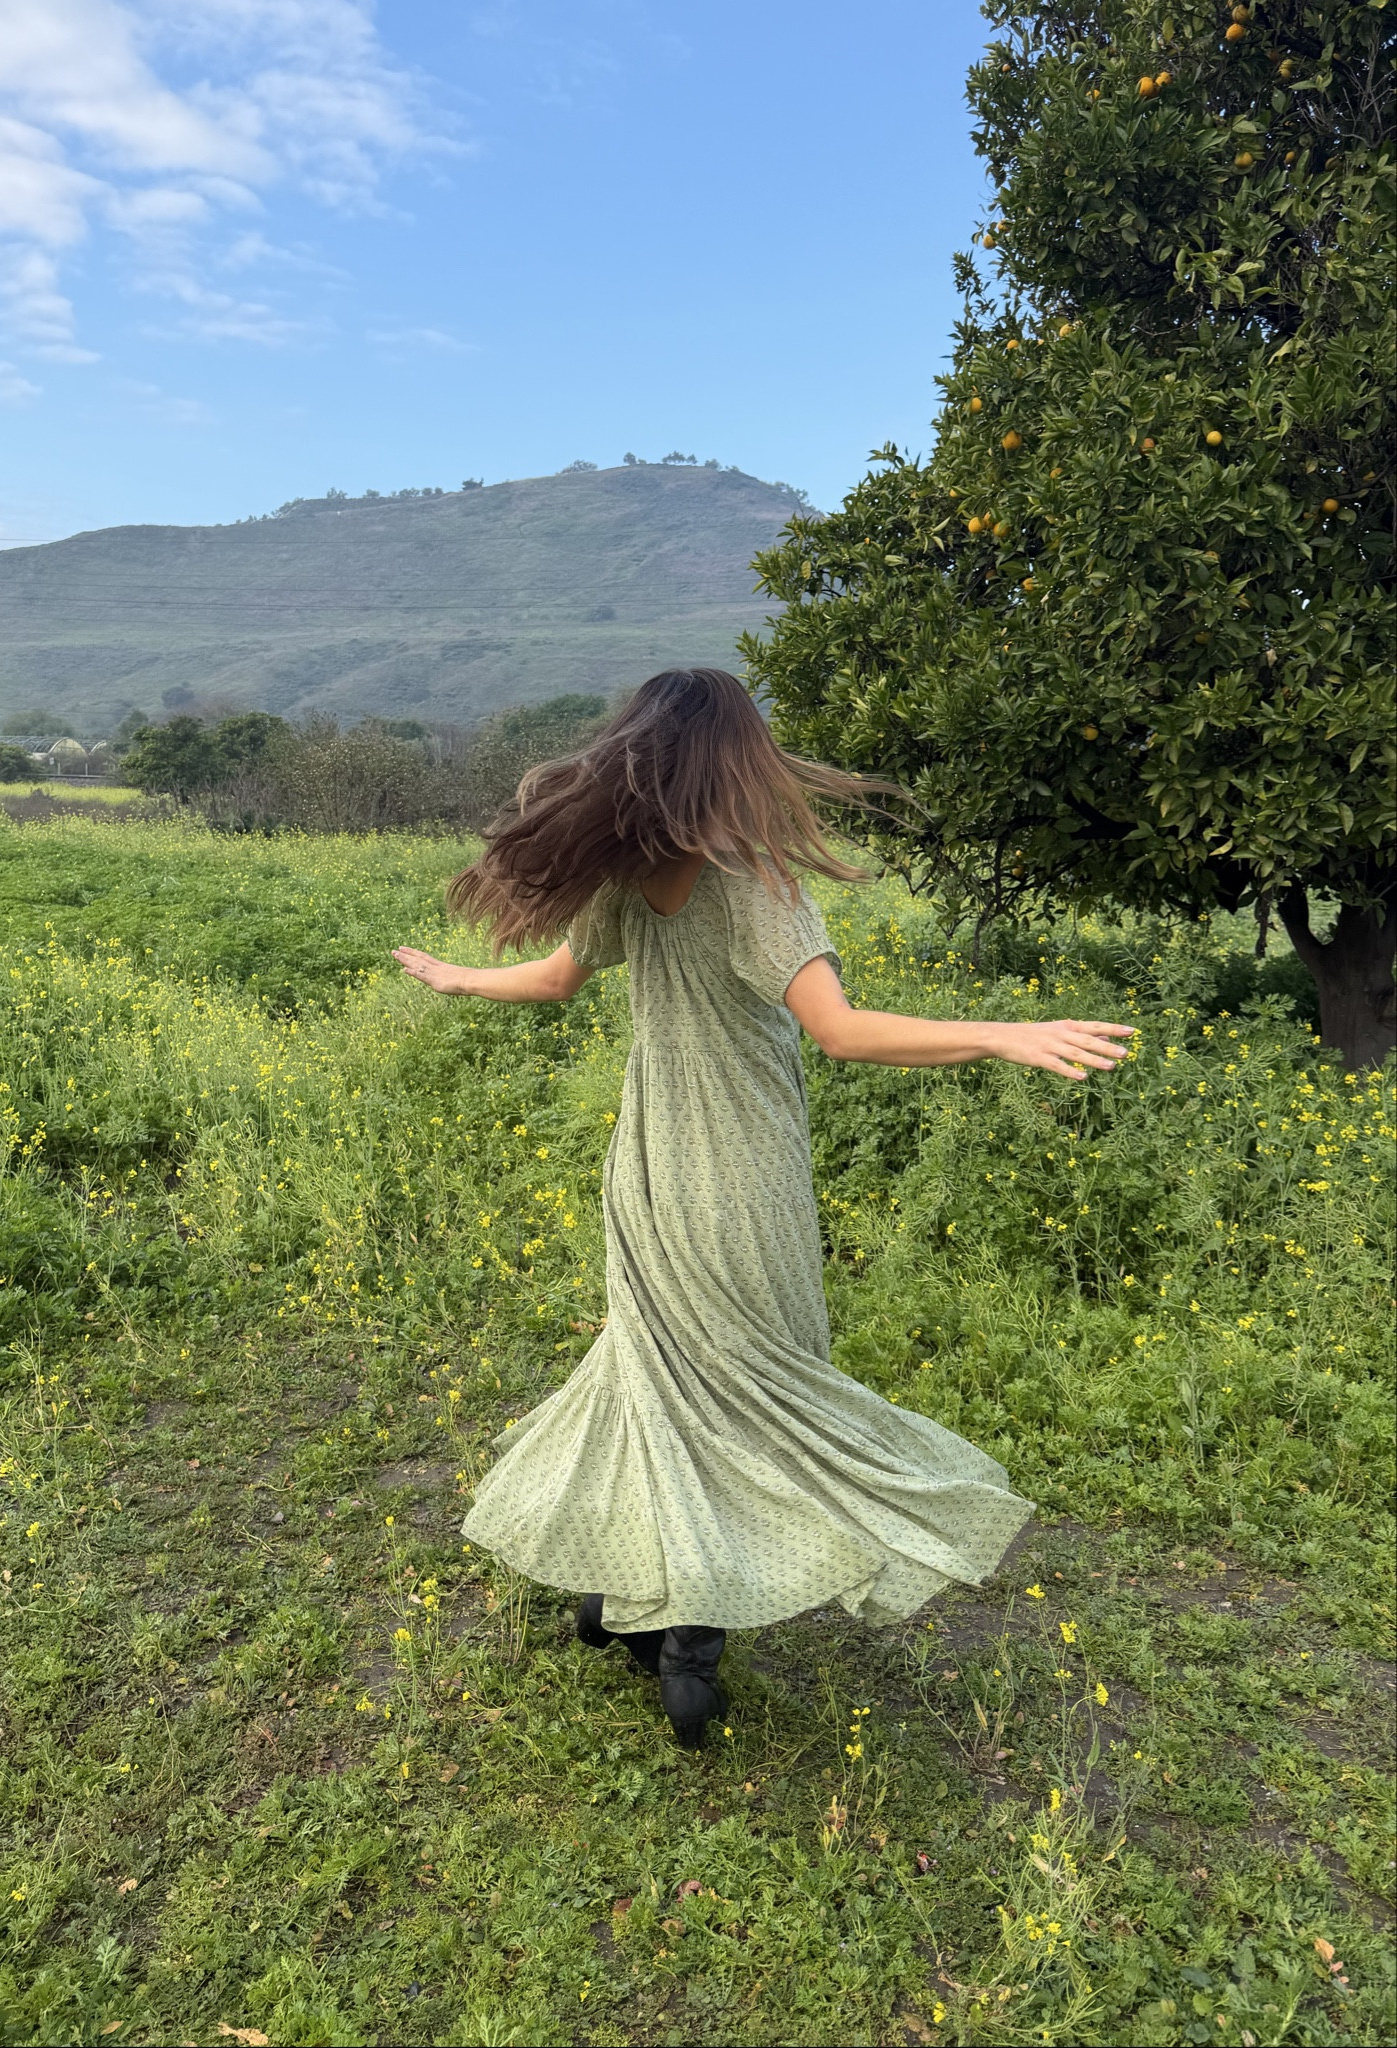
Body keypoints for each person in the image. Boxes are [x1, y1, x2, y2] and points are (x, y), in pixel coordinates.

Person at [393, 668, 1132, 1749]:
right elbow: (841, 1030)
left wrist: (456, 977)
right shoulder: (757, 884)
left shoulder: (623, 875)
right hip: (742, 1180)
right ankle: (687, 1639)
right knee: (753, 1398)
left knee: (657, 1381)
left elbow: (551, 982)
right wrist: (1004, 1032)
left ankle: (614, 1592)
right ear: (738, 755)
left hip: (647, 1169)